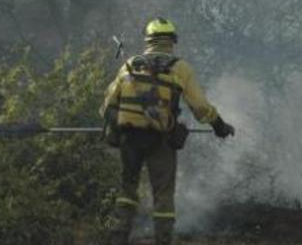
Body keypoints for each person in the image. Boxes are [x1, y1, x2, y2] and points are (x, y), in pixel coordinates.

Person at [100, 17, 234, 245]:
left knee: (127, 191)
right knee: (163, 195)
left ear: (148, 40)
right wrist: (219, 125)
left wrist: (116, 129)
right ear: (172, 40)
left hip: (130, 139)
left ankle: (118, 237)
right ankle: (162, 240)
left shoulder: (130, 64)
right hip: (160, 139)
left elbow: (107, 105)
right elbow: (200, 106)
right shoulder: (180, 67)